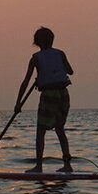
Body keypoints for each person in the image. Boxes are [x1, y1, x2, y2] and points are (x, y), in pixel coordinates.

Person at [14, 27, 74, 173]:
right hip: (63, 94)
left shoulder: (36, 58)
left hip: (49, 95)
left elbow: (26, 81)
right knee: (60, 129)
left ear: (36, 42)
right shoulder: (60, 53)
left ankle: (39, 166)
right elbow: (70, 71)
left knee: (41, 130)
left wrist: (18, 103)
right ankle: (67, 165)